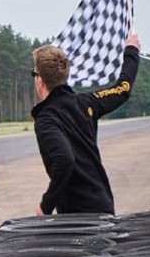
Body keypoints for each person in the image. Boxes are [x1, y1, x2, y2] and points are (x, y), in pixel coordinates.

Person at [31, 33, 141, 216]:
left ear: (40, 80)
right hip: (103, 204)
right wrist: (132, 50)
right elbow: (123, 89)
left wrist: (46, 206)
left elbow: (65, 159)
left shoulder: (46, 119)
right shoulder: (87, 103)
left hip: (78, 217)